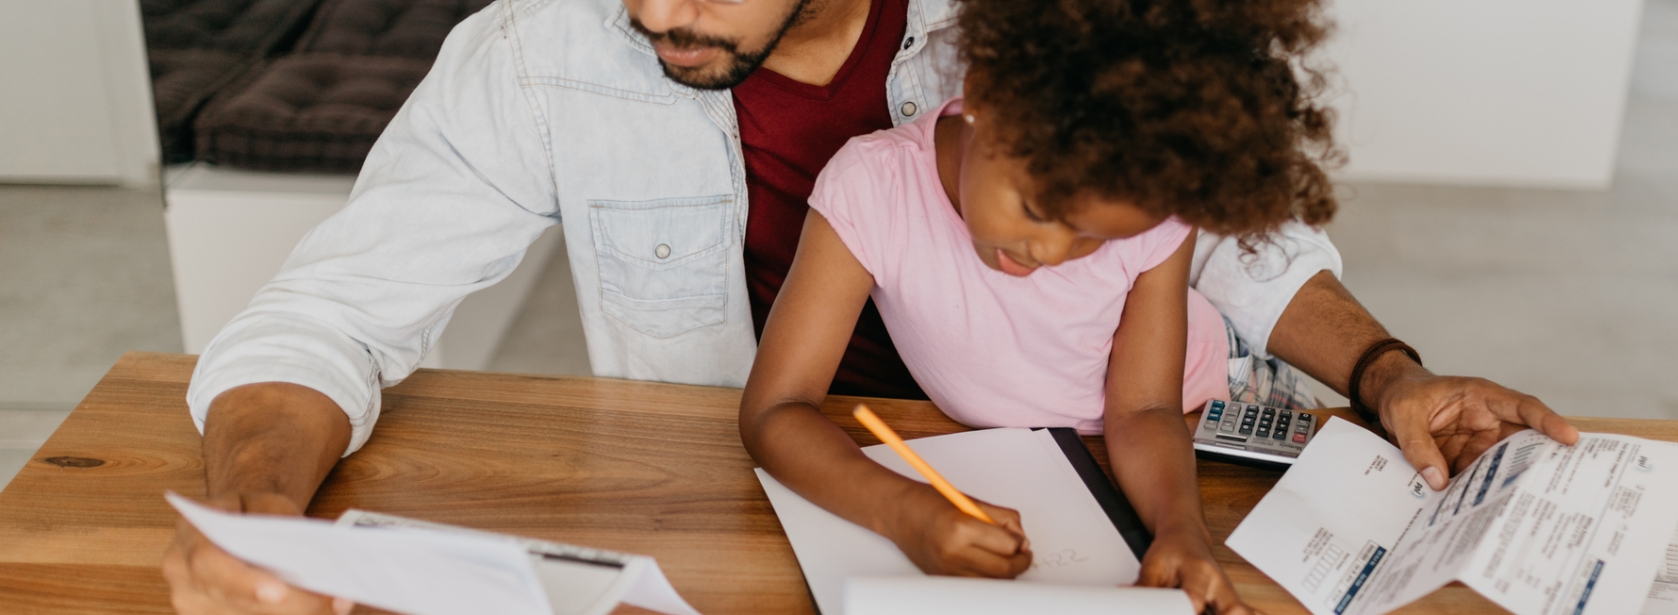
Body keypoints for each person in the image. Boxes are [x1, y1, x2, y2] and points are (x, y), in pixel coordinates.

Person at [161, 0, 1580, 612]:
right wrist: (258, 522)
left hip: (1069, 507)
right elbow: (326, 317)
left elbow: (1226, 241)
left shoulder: (1033, 41)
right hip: (759, 515)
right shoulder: (539, 54)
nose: (657, 11)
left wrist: (1389, 371)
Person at [742, 0, 1334, 610]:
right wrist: (904, 512)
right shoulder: (871, 190)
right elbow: (775, 410)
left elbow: (1146, 408)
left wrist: (1182, 533)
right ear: (984, 95)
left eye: (1095, 237)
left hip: (1223, 401)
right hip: (1073, 458)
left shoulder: (1154, 203)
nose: (1050, 251)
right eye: (1035, 208)